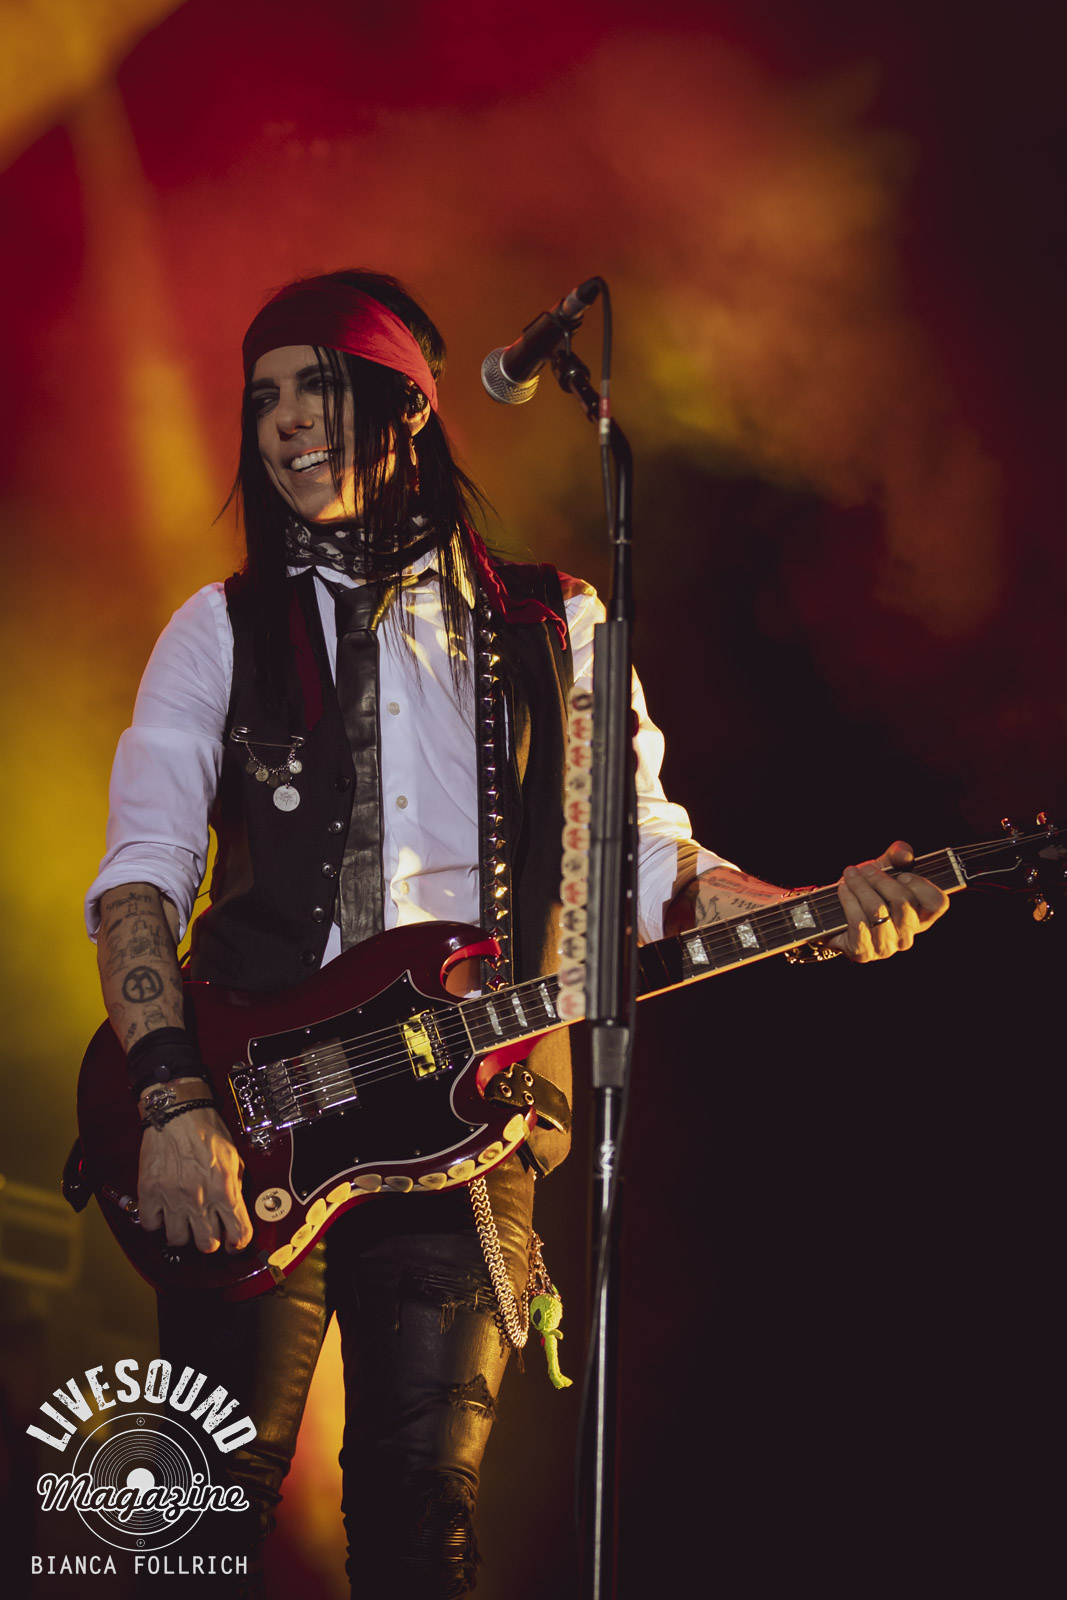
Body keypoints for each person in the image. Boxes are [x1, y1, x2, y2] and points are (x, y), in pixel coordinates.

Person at [85, 269, 950, 1597]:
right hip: (251, 1117)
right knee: (198, 1528)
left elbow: (644, 864)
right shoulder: (219, 631)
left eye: (316, 387)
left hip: (473, 1118)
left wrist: (808, 916)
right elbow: (140, 881)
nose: (282, 423)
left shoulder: (559, 630)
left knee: (422, 1528)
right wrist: (170, 1098)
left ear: (407, 407)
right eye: (261, 399)